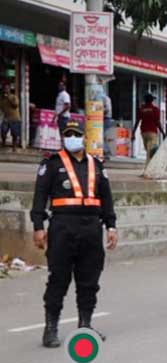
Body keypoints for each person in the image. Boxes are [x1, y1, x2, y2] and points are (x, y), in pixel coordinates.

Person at [30, 121, 118, 347]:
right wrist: (38, 226)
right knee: (58, 279)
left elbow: (106, 198)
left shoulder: (96, 164)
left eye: (76, 134)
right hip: (62, 227)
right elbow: (40, 195)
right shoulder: (52, 163)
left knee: (89, 279)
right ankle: (50, 329)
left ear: (84, 137)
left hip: (91, 228)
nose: (72, 138)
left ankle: (85, 325)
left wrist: (111, 226)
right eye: (67, 134)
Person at [132, 93, 165, 166]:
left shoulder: (141, 109)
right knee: (151, 152)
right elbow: (157, 122)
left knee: (149, 151)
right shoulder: (155, 109)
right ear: (152, 101)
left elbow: (137, 121)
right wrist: (162, 132)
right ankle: (149, 169)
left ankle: (149, 168)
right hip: (152, 132)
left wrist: (133, 133)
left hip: (144, 132)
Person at [0, 81, 21, 148]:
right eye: (4, 89)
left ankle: (14, 146)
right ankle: (3, 144)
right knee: (3, 132)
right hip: (6, 118)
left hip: (15, 118)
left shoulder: (13, 97)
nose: (5, 90)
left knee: (14, 134)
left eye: (7, 88)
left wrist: (8, 97)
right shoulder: (1, 99)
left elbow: (16, 105)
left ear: (9, 89)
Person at [102, 93, 114, 158]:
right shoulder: (104, 98)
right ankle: (106, 151)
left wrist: (99, 112)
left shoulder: (105, 98)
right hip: (104, 119)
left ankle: (106, 151)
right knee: (102, 136)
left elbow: (107, 109)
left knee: (101, 136)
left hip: (106, 119)